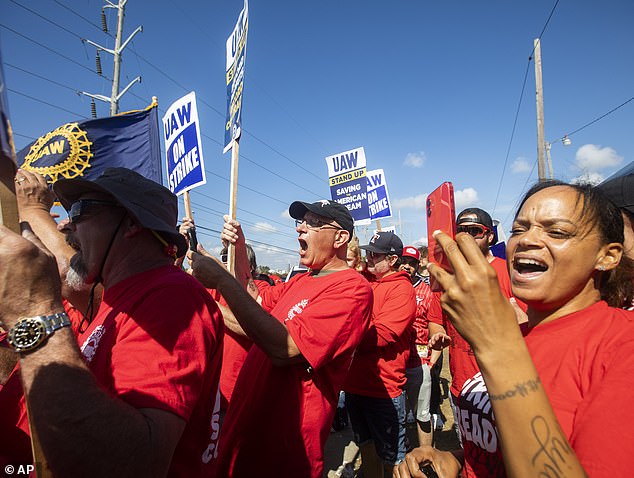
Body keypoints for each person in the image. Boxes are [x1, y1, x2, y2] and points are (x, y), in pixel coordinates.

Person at [395, 181, 634, 477]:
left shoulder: (622, 346)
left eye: (556, 231)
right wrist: (456, 461)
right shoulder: (522, 336)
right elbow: (499, 448)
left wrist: (495, 345)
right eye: (519, 229)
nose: (528, 240)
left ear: (608, 255)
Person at [0, 167, 223, 477]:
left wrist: (34, 312)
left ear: (131, 222)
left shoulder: (171, 296)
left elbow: (136, 463)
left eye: (81, 210)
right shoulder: (117, 299)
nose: (70, 226)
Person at [187, 199, 373, 478]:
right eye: (300, 222)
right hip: (248, 428)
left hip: (284, 445)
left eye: (312, 223)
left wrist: (220, 282)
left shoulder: (353, 289)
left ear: (340, 237)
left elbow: (285, 348)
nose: (300, 229)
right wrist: (237, 249)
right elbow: (253, 299)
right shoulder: (300, 281)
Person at [343, 231, 416, 478]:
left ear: (393, 260)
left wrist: (339, 335)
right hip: (355, 386)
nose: (369, 258)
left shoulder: (402, 290)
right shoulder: (365, 280)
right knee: (367, 450)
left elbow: (381, 335)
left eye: (375, 255)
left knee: (394, 461)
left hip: (383, 389)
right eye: (368, 253)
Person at [400, 245, 445, 447]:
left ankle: (427, 455)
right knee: (396, 414)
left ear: (418, 265)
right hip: (394, 363)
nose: (407, 267)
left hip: (420, 360)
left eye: (411, 263)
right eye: (404, 262)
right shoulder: (391, 287)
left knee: (423, 413)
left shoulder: (427, 290)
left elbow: (436, 325)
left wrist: (432, 361)